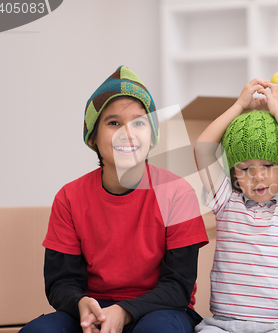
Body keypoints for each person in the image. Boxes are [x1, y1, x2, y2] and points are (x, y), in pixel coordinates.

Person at [20, 66, 209, 333]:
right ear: (93, 137)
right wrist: (81, 304)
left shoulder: (178, 192)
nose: (127, 133)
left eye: (139, 122)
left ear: (152, 136)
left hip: (161, 310)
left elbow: (178, 285)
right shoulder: (69, 198)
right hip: (93, 312)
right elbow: (61, 282)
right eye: (113, 122)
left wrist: (125, 312)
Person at [193, 78, 278, 333]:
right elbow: (202, 148)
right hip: (224, 325)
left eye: (268, 166)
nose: (258, 176)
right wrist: (239, 105)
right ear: (234, 174)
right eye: (246, 168)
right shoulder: (226, 201)